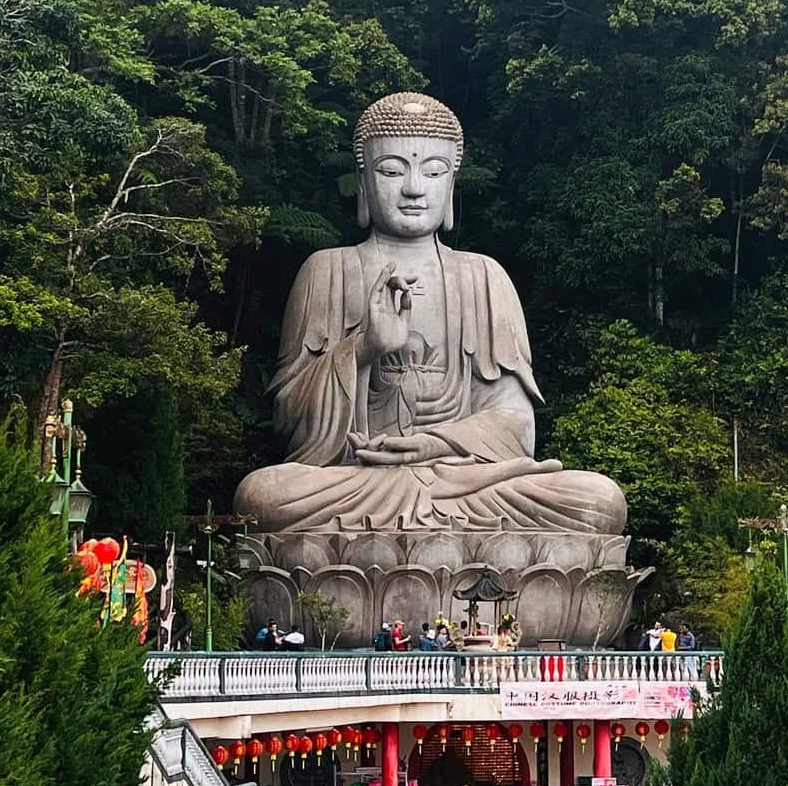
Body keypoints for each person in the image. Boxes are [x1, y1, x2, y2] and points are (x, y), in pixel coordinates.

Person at [234, 92, 627, 534]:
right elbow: (290, 423)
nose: (414, 188)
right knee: (264, 496)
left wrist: (432, 445)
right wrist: (365, 348)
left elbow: (516, 427)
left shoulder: (484, 277)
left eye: (433, 171)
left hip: (466, 482)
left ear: (451, 184)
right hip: (360, 479)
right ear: (364, 183)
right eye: (390, 171)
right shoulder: (327, 271)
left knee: (599, 501)